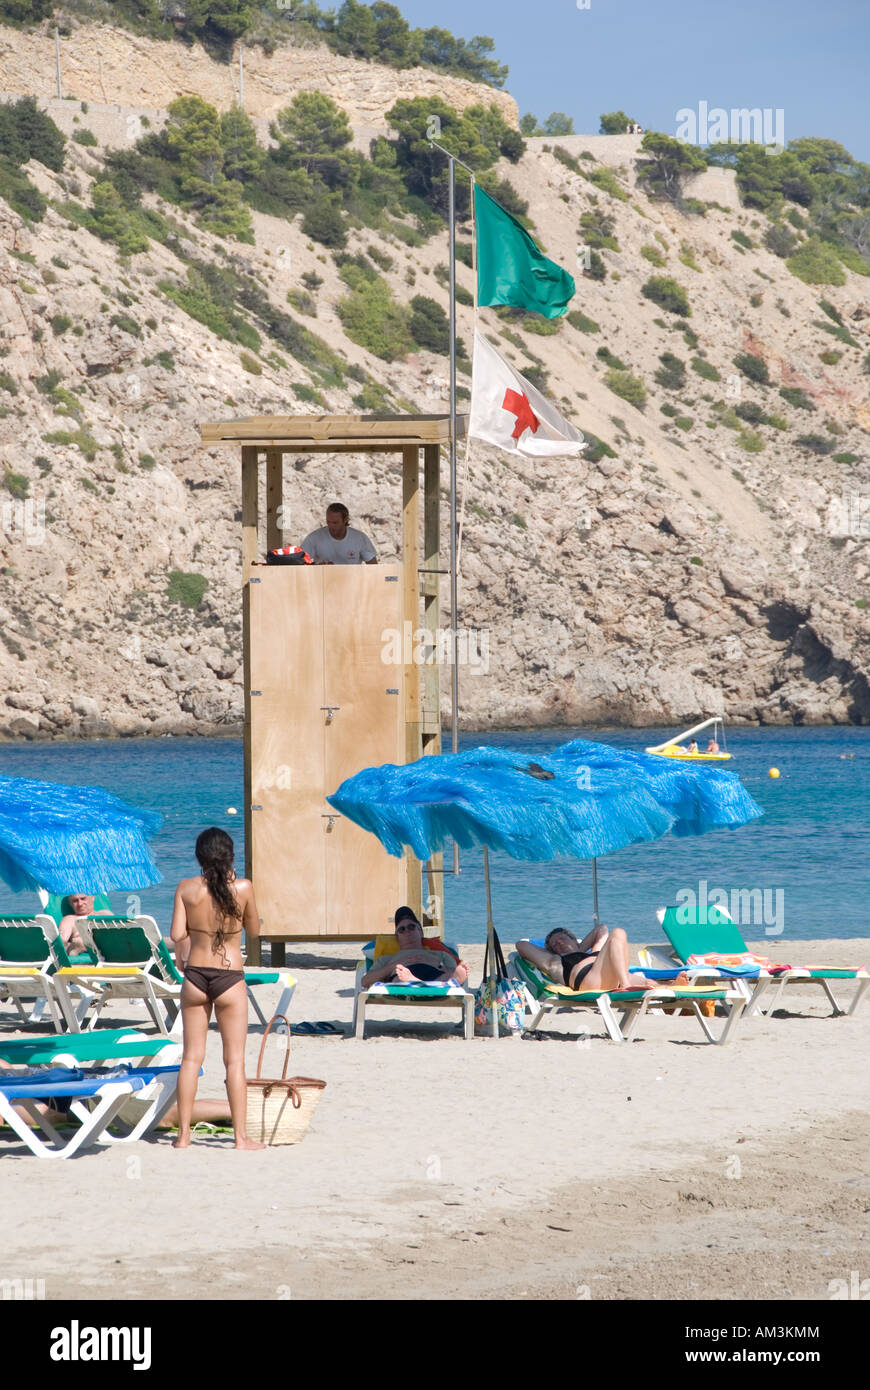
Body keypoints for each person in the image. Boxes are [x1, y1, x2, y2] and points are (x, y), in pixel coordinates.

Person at [169, 826, 263, 1151]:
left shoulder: (186, 888)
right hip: (229, 977)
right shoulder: (244, 887)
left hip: (194, 976)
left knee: (191, 1058)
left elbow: (178, 934)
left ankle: (182, 1137)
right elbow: (254, 930)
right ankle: (240, 1138)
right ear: (230, 855)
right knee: (234, 1061)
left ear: (199, 856)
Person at [517, 924, 670, 992]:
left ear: (573, 939)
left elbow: (601, 929)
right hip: (588, 981)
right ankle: (626, 986)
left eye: (562, 938)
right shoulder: (554, 962)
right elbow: (521, 945)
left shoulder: (593, 952)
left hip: (609, 977)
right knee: (618, 933)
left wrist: (579, 949)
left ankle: (675, 993)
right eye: (554, 944)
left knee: (651, 984)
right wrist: (551, 951)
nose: (559, 943)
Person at [360, 907, 468, 988]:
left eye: (411, 927)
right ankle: (413, 981)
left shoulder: (439, 954)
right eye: (401, 930)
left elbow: (452, 971)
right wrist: (393, 966)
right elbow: (365, 981)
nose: (407, 931)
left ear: (420, 932)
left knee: (449, 976)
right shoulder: (387, 959)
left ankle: (415, 982)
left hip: (435, 976)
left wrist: (438, 965)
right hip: (404, 977)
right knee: (399, 978)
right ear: (398, 938)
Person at [300, 503, 377, 565]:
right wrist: (317, 567)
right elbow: (299, 562)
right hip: (324, 582)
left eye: (335, 523)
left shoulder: (359, 538)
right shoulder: (314, 538)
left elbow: (373, 565)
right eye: (328, 522)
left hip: (352, 582)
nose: (331, 526)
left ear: (345, 520)